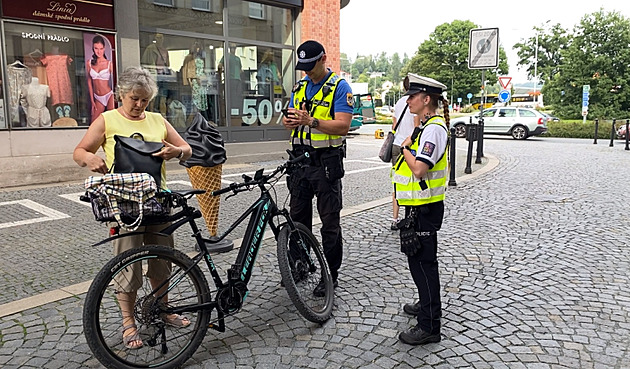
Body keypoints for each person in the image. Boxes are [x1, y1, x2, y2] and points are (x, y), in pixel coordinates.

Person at [73, 66, 192, 350]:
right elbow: (79, 151)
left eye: (144, 100)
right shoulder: (107, 120)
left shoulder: (158, 120)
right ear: (121, 95)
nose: (139, 105)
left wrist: (177, 152)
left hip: (157, 202)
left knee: (162, 262)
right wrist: (90, 159)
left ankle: (163, 310)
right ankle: (129, 323)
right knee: (128, 266)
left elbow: (185, 148)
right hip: (124, 206)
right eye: (134, 99)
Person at [282, 40, 353, 297]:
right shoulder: (300, 87)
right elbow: (289, 119)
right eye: (303, 67)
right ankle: (300, 264)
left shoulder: (339, 87)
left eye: (311, 66)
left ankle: (330, 275)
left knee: (329, 223)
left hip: (325, 163)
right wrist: (289, 121)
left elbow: (343, 126)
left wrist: (311, 121)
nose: (307, 71)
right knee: (298, 220)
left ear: (323, 59)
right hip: (299, 163)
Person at [392, 73, 449, 345]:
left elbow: (419, 169)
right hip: (417, 207)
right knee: (417, 261)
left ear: (427, 100)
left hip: (425, 209)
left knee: (425, 265)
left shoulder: (434, 129)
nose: (409, 101)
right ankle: (425, 304)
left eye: (413, 97)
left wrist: (405, 148)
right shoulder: (426, 126)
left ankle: (429, 325)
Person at [390, 76, 421, 230]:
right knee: (410, 183)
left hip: (396, 144)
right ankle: (410, 218)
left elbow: (394, 125)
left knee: (398, 183)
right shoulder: (414, 103)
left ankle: (394, 219)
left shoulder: (399, 102)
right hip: (409, 146)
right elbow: (416, 127)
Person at [86, 35, 115, 123]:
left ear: (104, 48)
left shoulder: (109, 64)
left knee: (112, 121)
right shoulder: (89, 63)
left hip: (109, 95)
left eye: (101, 48)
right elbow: (89, 81)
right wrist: (92, 100)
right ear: (93, 48)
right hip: (97, 97)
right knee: (93, 123)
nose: (99, 51)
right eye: (96, 48)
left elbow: (115, 81)